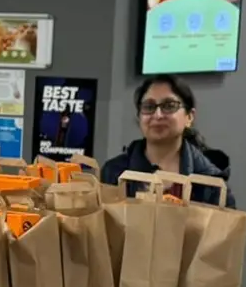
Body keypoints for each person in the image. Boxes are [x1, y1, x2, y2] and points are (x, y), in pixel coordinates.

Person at [101, 75, 236, 208]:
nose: (158, 115)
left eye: (169, 106)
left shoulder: (211, 183)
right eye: (149, 107)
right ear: (139, 117)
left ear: (189, 117)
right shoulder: (114, 172)